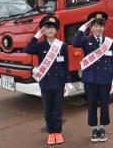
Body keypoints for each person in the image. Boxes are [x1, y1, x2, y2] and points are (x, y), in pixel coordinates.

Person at [24, 14, 72, 145]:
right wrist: (38, 35)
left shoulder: (62, 46)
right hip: (45, 84)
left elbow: (65, 64)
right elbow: (27, 49)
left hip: (58, 84)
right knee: (47, 110)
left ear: (56, 30)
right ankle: (51, 133)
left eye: (53, 28)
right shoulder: (39, 46)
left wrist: (67, 82)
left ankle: (58, 132)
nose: (50, 30)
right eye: (47, 28)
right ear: (44, 30)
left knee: (58, 110)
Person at [72, 11, 113, 142]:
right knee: (91, 104)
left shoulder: (109, 42)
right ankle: (94, 129)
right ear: (91, 28)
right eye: (95, 26)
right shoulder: (86, 40)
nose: (99, 28)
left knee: (105, 104)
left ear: (104, 27)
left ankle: (102, 128)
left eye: (101, 26)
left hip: (105, 78)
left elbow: (112, 60)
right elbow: (75, 42)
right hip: (90, 79)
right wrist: (84, 26)